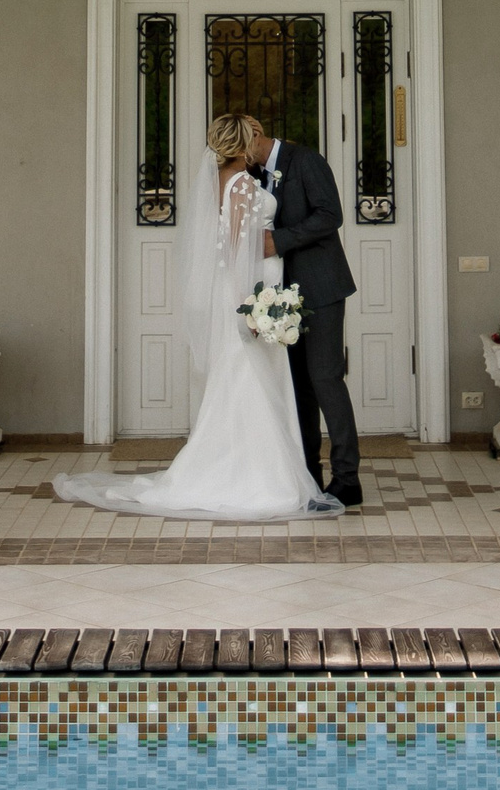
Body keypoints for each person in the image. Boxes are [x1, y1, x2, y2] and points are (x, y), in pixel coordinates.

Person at [53, 113, 341, 520]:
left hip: (254, 290)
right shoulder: (241, 184)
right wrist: (252, 307)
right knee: (252, 382)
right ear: (243, 144)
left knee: (249, 382)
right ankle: (261, 480)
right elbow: (238, 250)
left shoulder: (223, 180)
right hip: (250, 294)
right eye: (252, 138)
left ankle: (264, 472)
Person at [245, 114, 361, 508]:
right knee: (299, 387)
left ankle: (348, 479)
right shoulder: (254, 174)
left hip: (322, 287)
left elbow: (330, 215)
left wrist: (278, 241)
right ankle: (310, 474)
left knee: (326, 378)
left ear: (257, 134)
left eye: (242, 145)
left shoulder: (305, 160)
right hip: (281, 297)